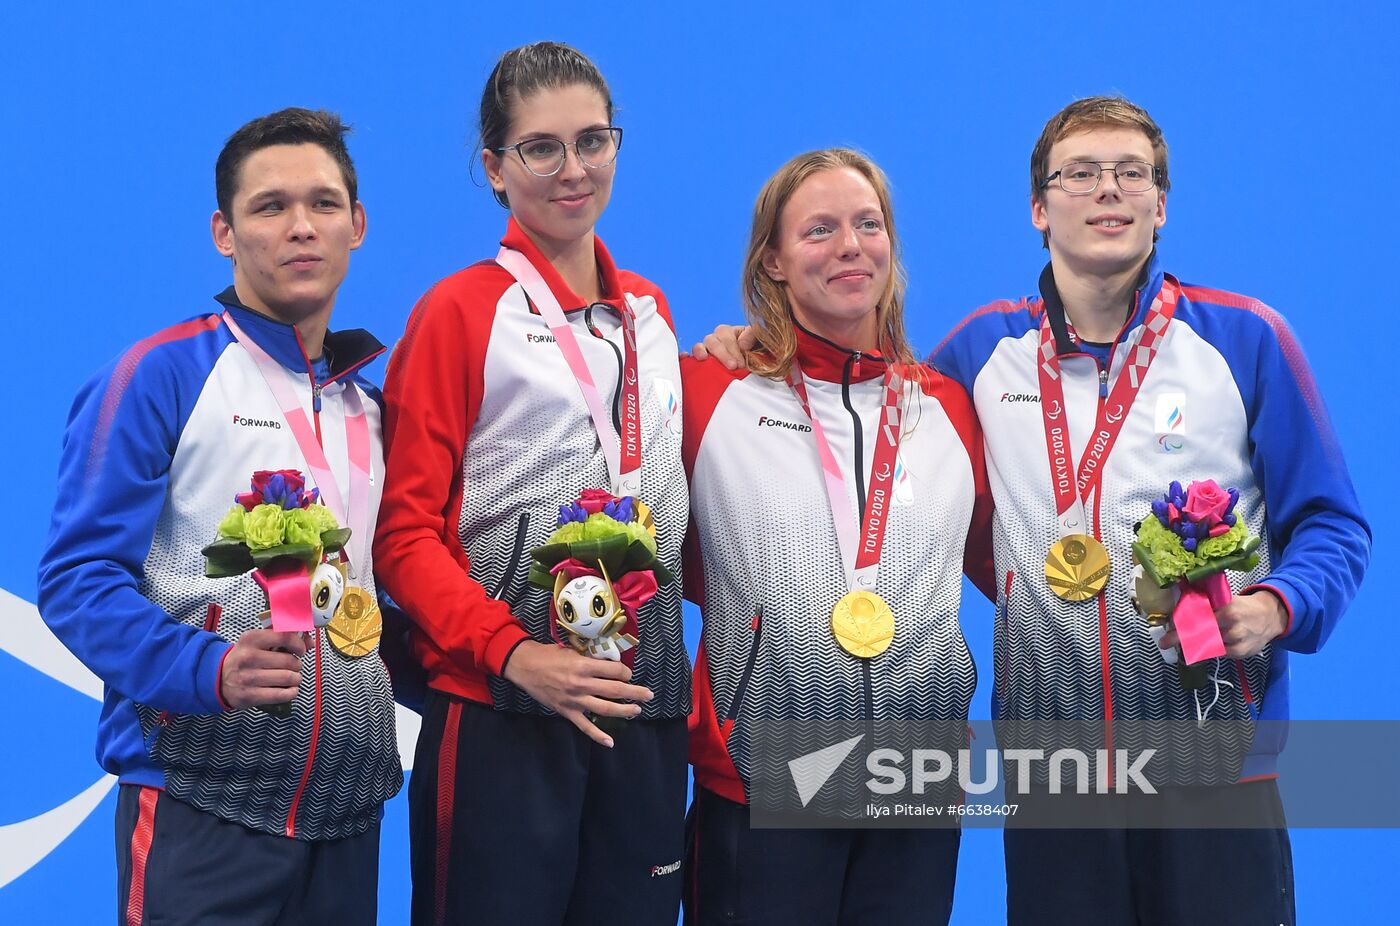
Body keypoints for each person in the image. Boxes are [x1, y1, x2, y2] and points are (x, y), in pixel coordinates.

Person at [37, 108, 402, 926]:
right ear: (224, 233)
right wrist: (208, 670)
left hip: (347, 817)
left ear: (358, 224)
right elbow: (76, 581)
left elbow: (382, 606)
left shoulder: (371, 411)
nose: (301, 227)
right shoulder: (159, 376)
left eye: (324, 204)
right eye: (270, 207)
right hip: (202, 802)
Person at [372, 41, 690, 926]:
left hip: (642, 705)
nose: (572, 169)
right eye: (540, 148)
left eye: (593, 141)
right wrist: (515, 653)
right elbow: (402, 538)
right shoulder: (460, 312)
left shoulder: (655, 317)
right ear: (494, 168)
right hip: (502, 711)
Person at [682, 148, 994, 926]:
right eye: (819, 230)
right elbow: (659, 566)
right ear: (774, 262)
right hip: (763, 780)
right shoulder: (708, 393)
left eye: (868, 224)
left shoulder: (949, 410)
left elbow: (1014, 570)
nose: (851, 246)